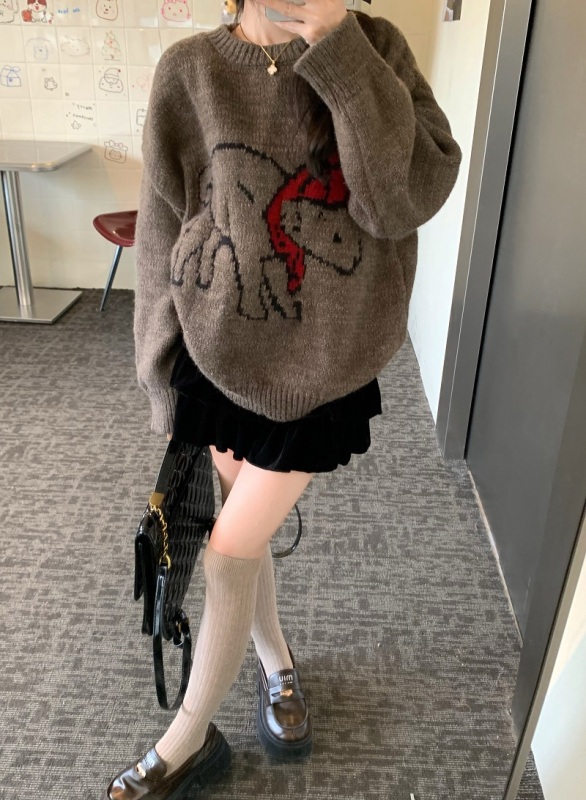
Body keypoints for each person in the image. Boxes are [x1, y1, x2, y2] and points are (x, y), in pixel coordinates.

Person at [102, 0, 462, 796]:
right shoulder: (191, 70)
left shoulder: (375, 47)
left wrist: (335, 46)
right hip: (217, 354)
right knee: (244, 530)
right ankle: (278, 665)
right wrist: (159, 374)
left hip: (323, 366)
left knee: (229, 548)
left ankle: (188, 741)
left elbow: (399, 202)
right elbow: (162, 231)